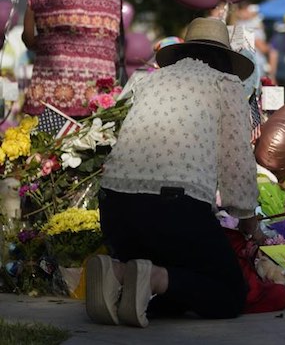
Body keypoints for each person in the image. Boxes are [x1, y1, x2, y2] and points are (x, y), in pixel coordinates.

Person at [85, 17, 264, 327]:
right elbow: (237, 165)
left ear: (183, 52)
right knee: (230, 292)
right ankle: (151, 278)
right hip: (173, 208)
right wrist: (251, 224)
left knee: (178, 278)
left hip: (114, 205)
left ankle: (121, 271)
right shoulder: (225, 84)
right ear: (226, 59)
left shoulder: (151, 80)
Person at [22, 0, 123, 117]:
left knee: (48, 145)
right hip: (98, 94)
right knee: (94, 145)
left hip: (51, 95)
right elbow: (112, 34)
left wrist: (49, 42)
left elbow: (28, 38)